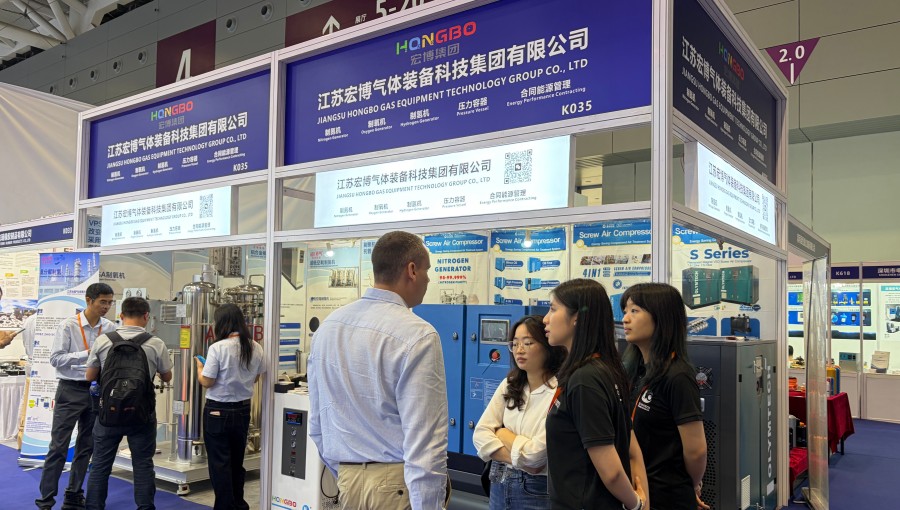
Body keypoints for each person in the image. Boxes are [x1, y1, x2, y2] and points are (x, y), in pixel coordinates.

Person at [308, 231, 448, 510]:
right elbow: (425, 443)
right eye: (427, 270)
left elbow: (317, 425)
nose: (428, 279)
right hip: (397, 487)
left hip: (348, 482)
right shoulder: (418, 334)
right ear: (411, 270)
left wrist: (349, 473)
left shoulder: (329, 327)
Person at [543, 278, 648, 510]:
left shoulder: (585, 380)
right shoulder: (606, 369)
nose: (545, 319)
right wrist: (641, 501)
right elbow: (631, 446)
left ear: (576, 318)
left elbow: (611, 471)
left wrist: (636, 505)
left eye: (553, 309)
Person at [621, 283, 708, 510]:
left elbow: (696, 450)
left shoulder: (677, 375)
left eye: (634, 311)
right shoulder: (635, 371)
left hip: (667, 496)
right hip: (638, 492)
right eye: (625, 311)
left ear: (661, 317)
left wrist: (692, 485)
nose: (625, 319)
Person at [84, 296, 173, 510]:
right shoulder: (156, 343)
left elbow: (89, 376)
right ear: (146, 316)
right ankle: (145, 507)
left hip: (108, 413)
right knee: (142, 465)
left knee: (100, 465)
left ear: (121, 315)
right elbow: (167, 376)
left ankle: (94, 507)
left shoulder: (104, 340)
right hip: (141, 413)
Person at [36, 283, 115, 510]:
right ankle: (46, 500)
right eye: (102, 302)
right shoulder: (68, 326)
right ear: (89, 300)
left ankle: (73, 494)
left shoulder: (110, 327)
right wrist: (87, 354)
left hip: (96, 390)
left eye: (109, 302)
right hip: (70, 389)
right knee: (58, 446)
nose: (106, 307)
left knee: (87, 446)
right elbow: (56, 359)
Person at [473, 315, 566, 509]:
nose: (519, 350)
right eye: (514, 344)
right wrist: (523, 461)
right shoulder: (510, 384)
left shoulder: (560, 391)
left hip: (537, 489)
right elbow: (480, 434)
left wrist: (501, 433)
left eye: (528, 343)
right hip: (499, 480)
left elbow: (536, 455)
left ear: (548, 346)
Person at [195, 303, 267, 510]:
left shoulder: (218, 348)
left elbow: (207, 381)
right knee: (237, 462)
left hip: (217, 411)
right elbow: (256, 378)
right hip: (243, 411)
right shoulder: (256, 346)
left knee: (219, 464)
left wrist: (199, 368)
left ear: (222, 323)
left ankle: (225, 506)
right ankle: (239, 505)